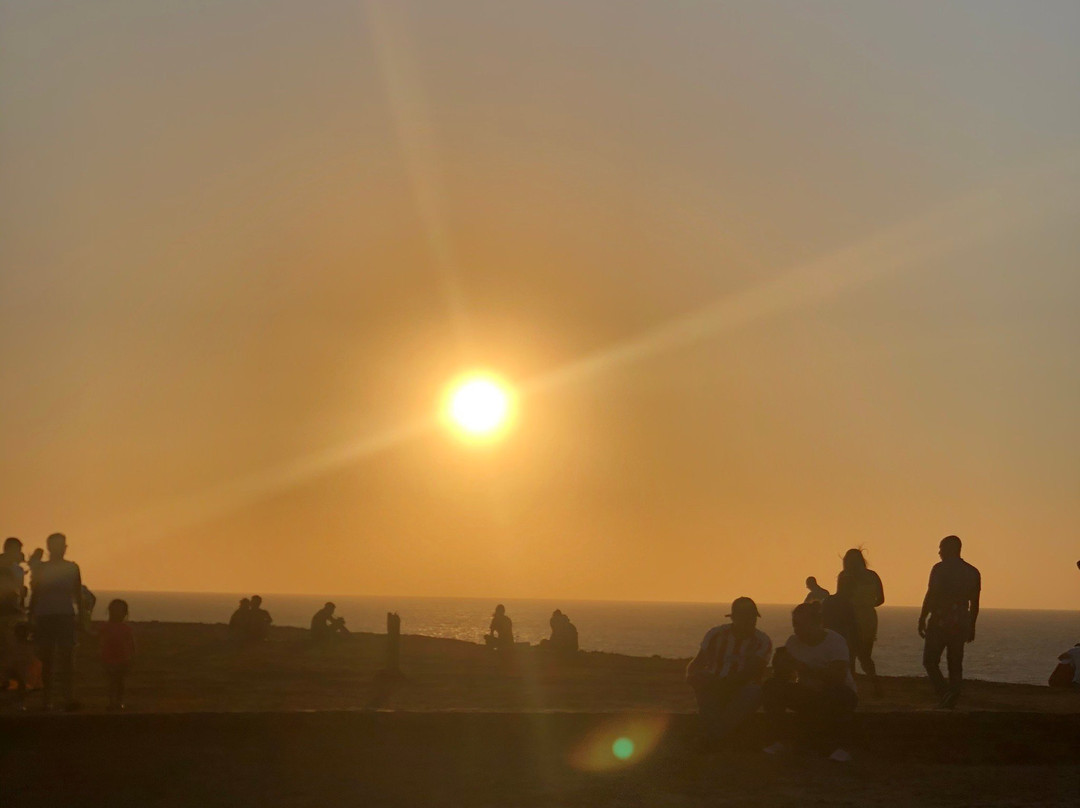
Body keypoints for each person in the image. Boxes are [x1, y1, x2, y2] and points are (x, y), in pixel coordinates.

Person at [762, 601, 857, 762]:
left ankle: (833, 746)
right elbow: (785, 678)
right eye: (795, 625)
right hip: (807, 693)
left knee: (835, 695)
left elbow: (838, 677)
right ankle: (781, 740)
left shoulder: (835, 641)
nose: (797, 629)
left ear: (816, 623)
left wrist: (803, 667)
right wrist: (780, 665)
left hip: (836, 694)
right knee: (772, 686)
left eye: (801, 624)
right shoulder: (793, 642)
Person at [686, 597, 772, 748]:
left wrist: (722, 683)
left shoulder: (762, 641)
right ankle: (717, 737)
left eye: (752, 618)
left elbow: (752, 672)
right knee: (705, 685)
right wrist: (693, 677)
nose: (750, 622)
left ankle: (711, 737)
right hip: (713, 682)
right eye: (745, 618)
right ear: (734, 618)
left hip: (741, 688)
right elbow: (698, 662)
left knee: (755, 691)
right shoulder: (715, 634)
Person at [918, 535, 981, 708]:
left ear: (950, 549)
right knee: (955, 662)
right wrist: (972, 625)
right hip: (961, 620)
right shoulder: (972, 572)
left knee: (930, 660)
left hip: (940, 619)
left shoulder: (939, 569)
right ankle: (953, 693)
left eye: (942, 548)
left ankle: (944, 692)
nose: (939, 552)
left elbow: (931, 595)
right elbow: (975, 603)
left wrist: (923, 617)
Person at [28, 533, 86, 711]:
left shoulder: (72, 568)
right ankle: (48, 699)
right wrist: (31, 616)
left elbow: (77, 593)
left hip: (63, 615)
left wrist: (82, 615)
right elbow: (36, 593)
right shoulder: (43, 569)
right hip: (46, 615)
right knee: (47, 659)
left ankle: (66, 698)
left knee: (66, 658)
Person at [837, 549, 885, 696]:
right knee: (865, 655)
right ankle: (875, 683)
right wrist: (867, 604)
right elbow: (881, 599)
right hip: (869, 618)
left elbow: (840, 599)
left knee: (849, 654)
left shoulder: (844, 577)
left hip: (850, 617)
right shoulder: (873, 576)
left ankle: (851, 687)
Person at [0, 538, 28, 687]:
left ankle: (10, 680)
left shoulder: (17, 569)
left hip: (13, 612)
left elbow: (19, 592)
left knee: (12, 648)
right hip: (6, 613)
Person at [100, 599, 135, 711]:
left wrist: (132, 656)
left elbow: (131, 643)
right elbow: (100, 640)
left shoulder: (126, 628)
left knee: (119, 682)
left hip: (122, 658)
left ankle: (118, 702)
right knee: (112, 681)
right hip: (110, 658)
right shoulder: (106, 627)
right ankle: (112, 702)